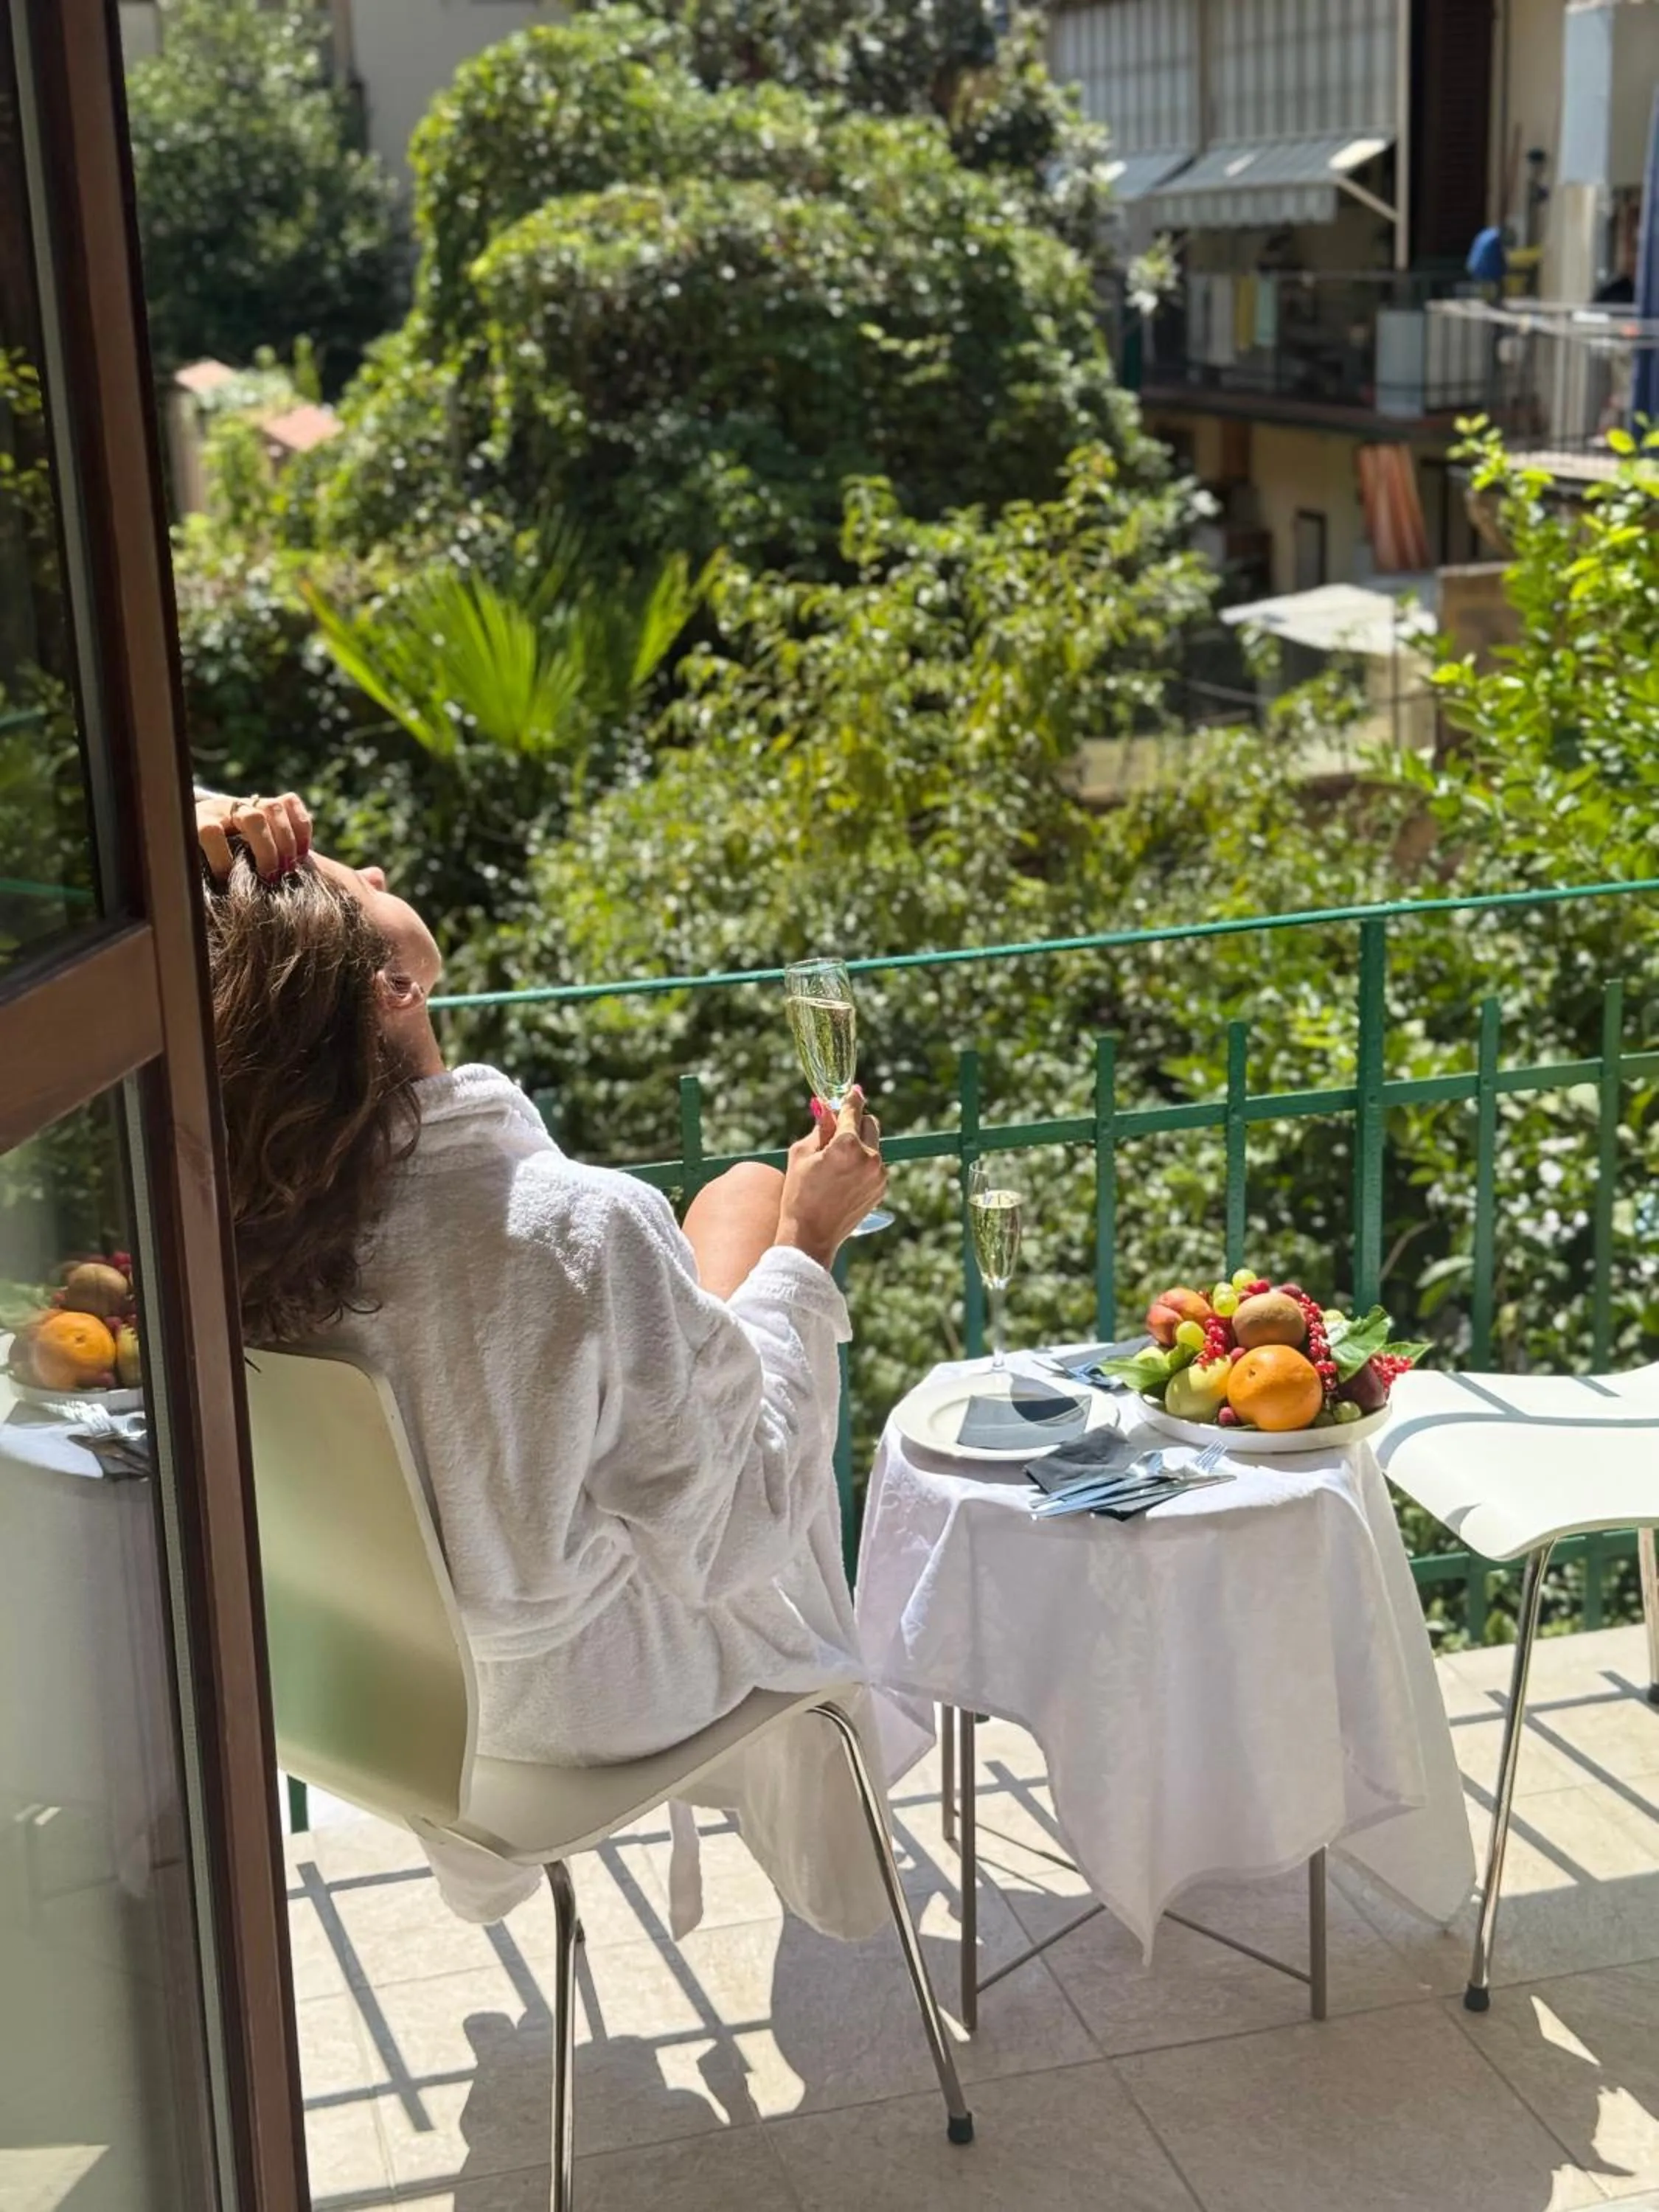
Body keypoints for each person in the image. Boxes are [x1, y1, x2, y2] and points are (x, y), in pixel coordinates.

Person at [195, 790, 919, 1937]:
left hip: (402, 1706)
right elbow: (730, 1537)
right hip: (592, 1698)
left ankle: (751, 1249)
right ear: (393, 991)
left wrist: (209, 827)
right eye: (355, 887)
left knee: (732, 1197)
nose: (373, 866)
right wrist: (810, 1251)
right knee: (761, 1233)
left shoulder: (243, 1230)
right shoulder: (570, 1228)